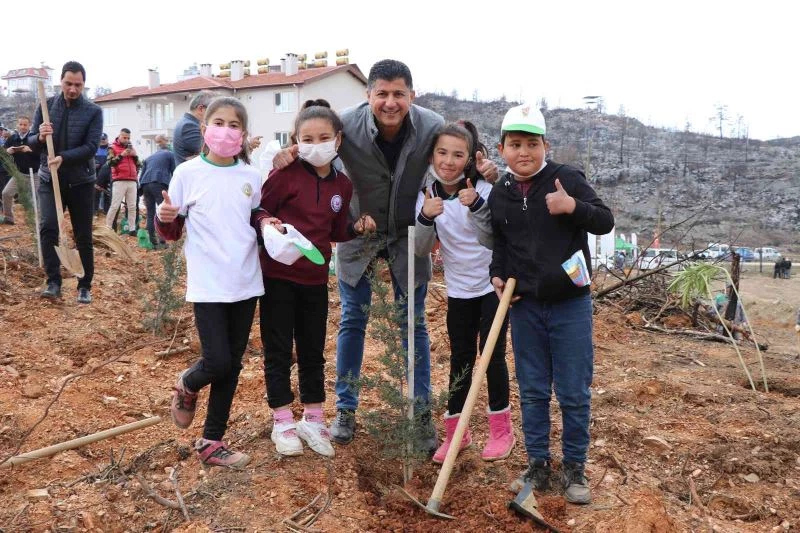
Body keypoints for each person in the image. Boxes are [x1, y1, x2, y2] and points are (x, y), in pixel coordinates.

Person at [272, 59, 497, 452]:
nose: (390, 103)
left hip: (411, 233)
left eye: (399, 94)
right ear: (368, 95)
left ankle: (422, 415)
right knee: (352, 320)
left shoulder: (431, 125)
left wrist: (489, 175)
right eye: (382, 94)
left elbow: (454, 161)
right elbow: (314, 153)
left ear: (412, 95)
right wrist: (286, 156)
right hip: (358, 230)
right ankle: (346, 410)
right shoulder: (345, 125)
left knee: (414, 326)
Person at [489, 103, 614, 504]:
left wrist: (572, 207)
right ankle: (538, 465)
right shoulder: (501, 193)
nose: (523, 152)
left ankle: (575, 467)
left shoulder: (566, 179)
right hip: (525, 305)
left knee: (574, 390)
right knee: (532, 389)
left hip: (570, 303)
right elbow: (502, 245)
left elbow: (604, 220)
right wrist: (497, 273)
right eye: (515, 144)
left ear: (546, 145)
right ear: (501, 148)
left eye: (532, 143)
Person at [253, 99, 376, 458]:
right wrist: (266, 222)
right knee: (277, 349)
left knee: (312, 349)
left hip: (315, 278)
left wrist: (357, 227)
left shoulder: (342, 186)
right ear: (296, 139)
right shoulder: (284, 175)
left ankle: (313, 416)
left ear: (337, 140)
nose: (316, 144)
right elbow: (259, 209)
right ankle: (281, 419)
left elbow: (337, 230)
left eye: (324, 136)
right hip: (277, 275)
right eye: (307, 138)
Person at [157, 96, 263, 469]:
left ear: (244, 135)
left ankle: (211, 442)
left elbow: (255, 217)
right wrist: (166, 215)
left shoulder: (251, 176)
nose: (226, 131)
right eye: (219, 123)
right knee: (217, 361)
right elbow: (171, 229)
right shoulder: (187, 173)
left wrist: (271, 226)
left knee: (233, 365)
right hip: (208, 284)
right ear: (204, 130)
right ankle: (188, 382)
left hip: (246, 281)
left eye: (234, 125)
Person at [414, 121, 513, 464]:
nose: (449, 161)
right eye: (442, 153)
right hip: (459, 290)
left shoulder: (483, 189)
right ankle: (457, 432)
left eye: (458, 155)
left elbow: (491, 238)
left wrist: (476, 207)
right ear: (432, 155)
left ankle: (501, 429)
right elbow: (420, 249)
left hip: (492, 285)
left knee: (492, 357)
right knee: (461, 359)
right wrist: (426, 218)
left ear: (470, 158)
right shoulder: (426, 195)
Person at [29, 61, 103, 304]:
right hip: (50, 179)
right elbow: (31, 142)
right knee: (48, 227)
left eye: (78, 85)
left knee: (83, 235)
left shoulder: (93, 111)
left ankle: (84, 285)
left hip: (81, 181)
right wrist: (40, 136)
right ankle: (53, 281)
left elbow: (91, 147)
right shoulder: (46, 106)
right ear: (60, 81)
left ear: (83, 85)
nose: (73, 89)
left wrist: (64, 158)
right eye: (68, 84)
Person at [139, 134, 175, 248]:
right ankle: (162, 241)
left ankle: (153, 242)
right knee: (162, 212)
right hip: (159, 182)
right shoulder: (170, 154)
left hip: (145, 183)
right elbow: (175, 172)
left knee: (150, 213)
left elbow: (141, 175)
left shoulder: (149, 157)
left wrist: (141, 190)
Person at [2, 116, 40, 224]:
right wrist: (7, 151)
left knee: (39, 198)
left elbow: (42, 154)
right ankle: (9, 218)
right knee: (6, 193)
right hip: (19, 174)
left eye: (25, 124)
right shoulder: (12, 138)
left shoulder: (34, 137)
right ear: (17, 125)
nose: (23, 127)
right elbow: (3, 152)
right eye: (21, 124)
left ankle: (40, 220)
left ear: (29, 125)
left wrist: (30, 151)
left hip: (35, 174)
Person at [105, 128, 141, 235]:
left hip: (132, 180)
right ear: (119, 136)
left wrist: (135, 156)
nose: (126, 140)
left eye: (128, 138)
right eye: (124, 137)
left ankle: (132, 229)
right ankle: (107, 227)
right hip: (119, 180)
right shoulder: (112, 147)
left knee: (132, 206)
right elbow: (110, 163)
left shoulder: (131, 148)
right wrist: (122, 155)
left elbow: (139, 165)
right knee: (115, 205)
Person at [173, 90, 217, 165]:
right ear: (200, 109)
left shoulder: (188, 123)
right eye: (213, 111)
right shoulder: (188, 126)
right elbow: (210, 152)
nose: (215, 115)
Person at [93, 133, 110, 215]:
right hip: (96, 174)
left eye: (104, 139)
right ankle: (95, 210)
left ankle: (106, 211)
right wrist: (94, 164)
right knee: (96, 192)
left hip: (108, 175)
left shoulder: (110, 149)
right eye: (101, 139)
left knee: (107, 193)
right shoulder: (94, 149)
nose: (102, 141)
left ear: (107, 139)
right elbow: (90, 160)